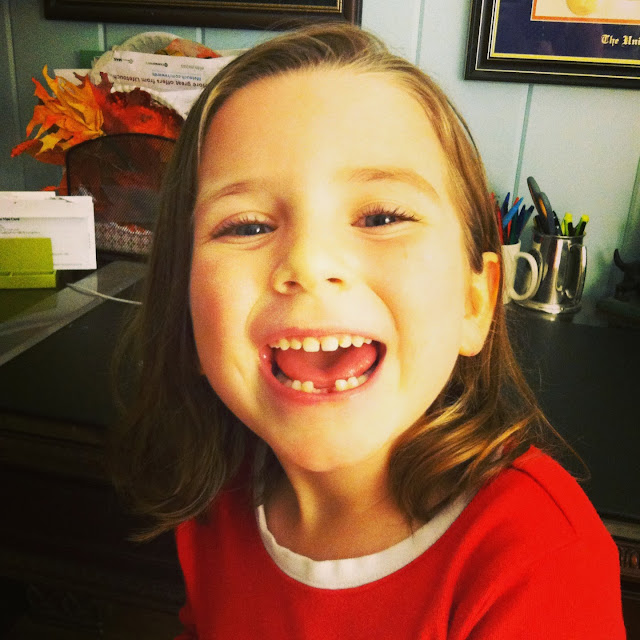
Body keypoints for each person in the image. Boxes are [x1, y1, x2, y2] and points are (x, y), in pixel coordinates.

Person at [111, 22, 625, 639]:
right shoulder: (212, 502)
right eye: (246, 226)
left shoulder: (540, 558)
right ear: (187, 312)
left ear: (475, 303)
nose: (309, 263)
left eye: (381, 216)